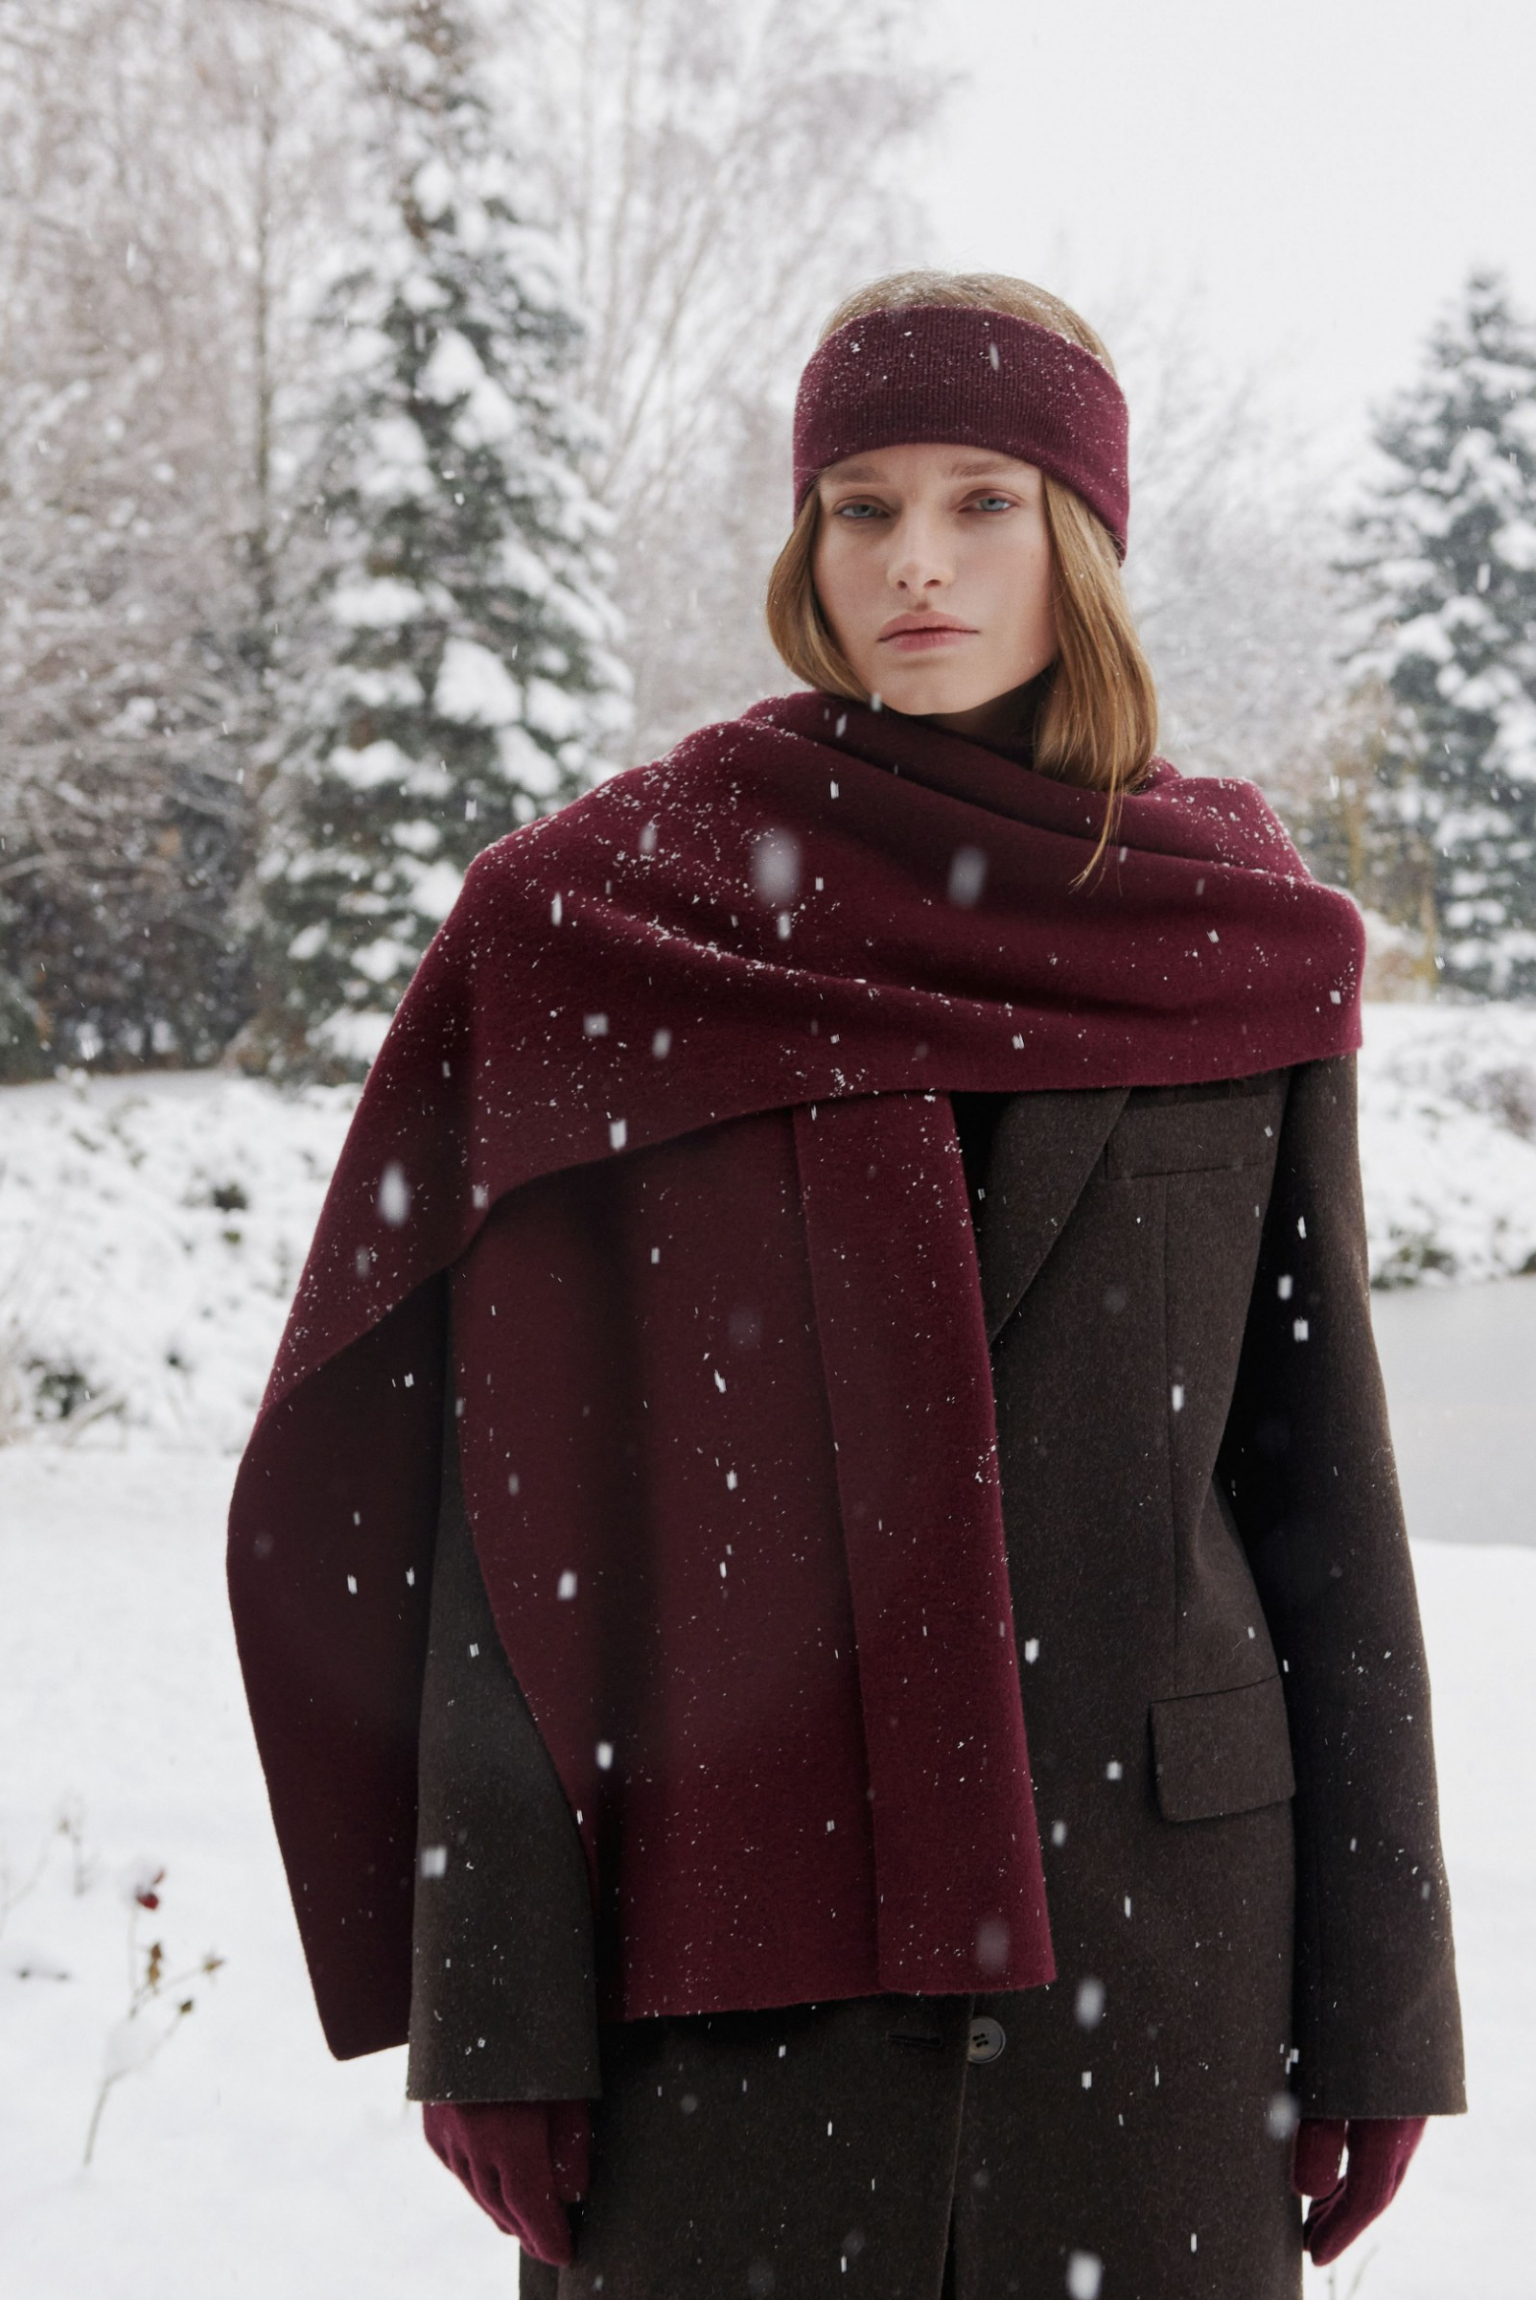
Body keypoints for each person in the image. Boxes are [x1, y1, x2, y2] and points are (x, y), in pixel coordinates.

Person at [227, 271, 1466, 2300]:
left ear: (1084, 537)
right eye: (862, 505)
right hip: (715, 1986)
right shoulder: (606, 925)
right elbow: (508, 1513)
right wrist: (496, 2004)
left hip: (1165, 1970)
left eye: (984, 501)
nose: (916, 561)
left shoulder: (1234, 939)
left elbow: (1318, 1486)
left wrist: (1382, 2002)